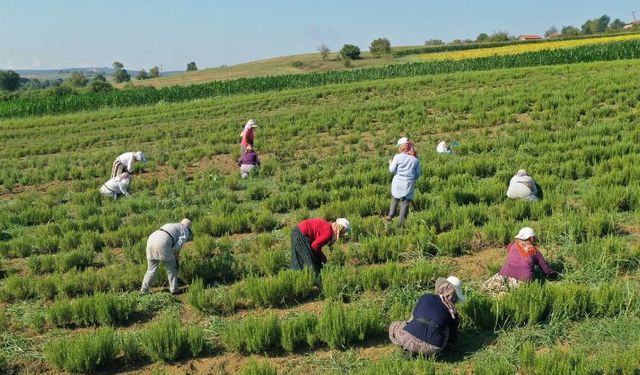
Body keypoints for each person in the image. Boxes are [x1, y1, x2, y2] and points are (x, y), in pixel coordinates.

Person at [389, 276, 465, 356]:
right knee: (446, 327)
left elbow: (411, 319)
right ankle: (425, 352)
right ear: (455, 296)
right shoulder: (453, 311)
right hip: (432, 348)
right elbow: (452, 338)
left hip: (407, 339)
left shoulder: (425, 297)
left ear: (440, 287)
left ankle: (408, 347)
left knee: (394, 325)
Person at [481, 227, 558, 297]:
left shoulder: (512, 245)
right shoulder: (535, 252)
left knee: (484, 289)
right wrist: (556, 275)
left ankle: (501, 294)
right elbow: (547, 271)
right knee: (513, 296)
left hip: (503, 276)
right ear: (531, 238)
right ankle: (505, 296)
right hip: (522, 282)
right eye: (534, 237)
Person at [140, 218, 193, 295]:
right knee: (172, 268)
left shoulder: (172, 225)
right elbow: (177, 247)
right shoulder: (185, 230)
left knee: (151, 269)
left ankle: (144, 291)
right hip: (163, 242)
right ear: (188, 227)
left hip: (151, 240)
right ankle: (174, 290)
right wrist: (176, 259)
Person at [385, 137, 422, 226]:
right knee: (405, 203)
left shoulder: (397, 157)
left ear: (401, 147)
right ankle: (401, 224)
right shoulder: (415, 160)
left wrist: (390, 163)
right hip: (408, 184)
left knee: (395, 198)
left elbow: (392, 170)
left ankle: (391, 215)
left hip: (397, 182)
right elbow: (418, 174)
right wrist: (412, 178)